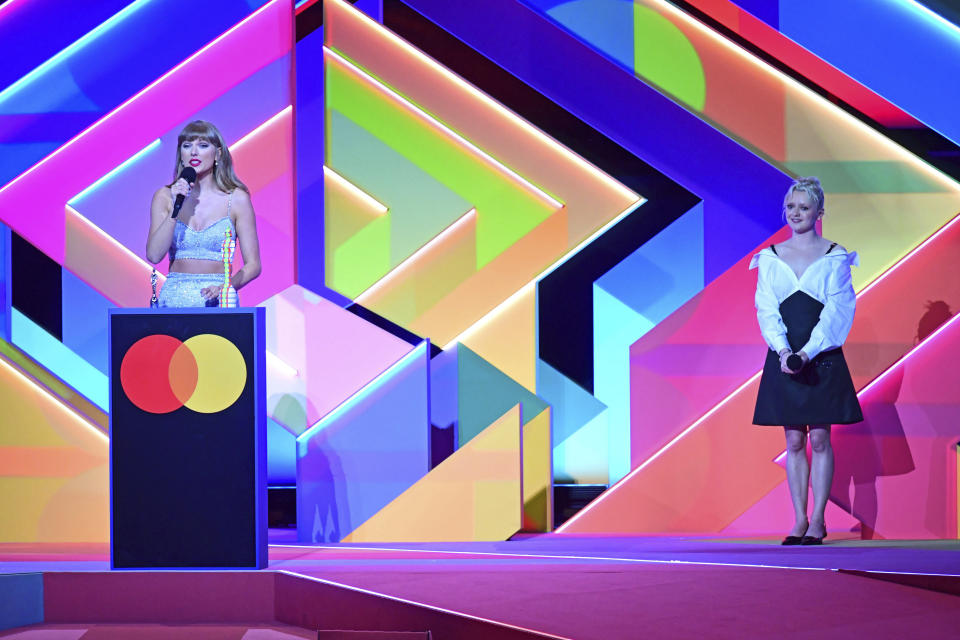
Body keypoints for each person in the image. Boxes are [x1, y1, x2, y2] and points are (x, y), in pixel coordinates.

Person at [750, 177, 863, 546]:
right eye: (791, 207)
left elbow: (839, 309)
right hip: (784, 354)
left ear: (819, 212)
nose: (795, 213)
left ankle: (818, 520)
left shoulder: (834, 255)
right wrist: (784, 351)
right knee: (794, 440)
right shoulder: (770, 257)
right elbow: (766, 308)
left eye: (803, 207)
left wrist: (808, 353)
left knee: (819, 437)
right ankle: (798, 520)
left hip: (821, 354)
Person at [146, 120, 261, 307]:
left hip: (218, 300)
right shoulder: (165, 196)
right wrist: (175, 207)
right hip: (174, 300)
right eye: (187, 145)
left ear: (218, 153)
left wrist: (226, 286)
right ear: (180, 154)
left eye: (203, 145)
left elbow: (253, 265)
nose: (194, 152)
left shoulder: (237, 199)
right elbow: (154, 254)